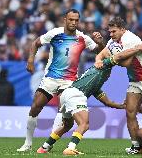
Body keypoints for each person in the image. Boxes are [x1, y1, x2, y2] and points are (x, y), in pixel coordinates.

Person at [17, 9, 105, 152]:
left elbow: (100, 52)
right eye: (71, 19)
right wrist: (31, 60)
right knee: (35, 107)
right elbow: (36, 43)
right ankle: (27, 143)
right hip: (51, 78)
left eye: (76, 20)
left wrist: (100, 43)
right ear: (65, 19)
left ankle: (48, 144)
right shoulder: (55, 33)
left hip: (69, 82)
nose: (73, 22)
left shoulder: (83, 38)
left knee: (63, 115)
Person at [36, 44, 142, 155]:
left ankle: (45, 147)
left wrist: (122, 106)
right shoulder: (104, 65)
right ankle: (70, 148)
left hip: (67, 94)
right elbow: (118, 58)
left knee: (67, 125)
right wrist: (136, 49)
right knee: (84, 124)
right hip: (76, 94)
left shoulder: (95, 83)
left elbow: (107, 102)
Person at [94, 17, 142, 154]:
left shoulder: (131, 39)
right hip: (135, 80)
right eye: (110, 32)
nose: (111, 35)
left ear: (122, 29)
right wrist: (98, 59)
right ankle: (137, 146)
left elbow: (126, 63)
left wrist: (110, 59)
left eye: (114, 31)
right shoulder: (113, 41)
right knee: (130, 111)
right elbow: (103, 53)